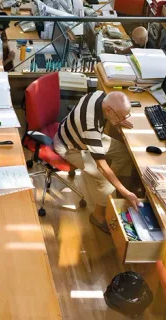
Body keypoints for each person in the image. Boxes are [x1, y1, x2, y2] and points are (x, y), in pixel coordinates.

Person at [52, 90, 139, 234]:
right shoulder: (90, 126)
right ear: (109, 110)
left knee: (124, 154)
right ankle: (97, 216)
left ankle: (112, 192)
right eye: (120, 115)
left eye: (125, 115)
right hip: (69, 147)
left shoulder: (99, 95)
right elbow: (102, 166)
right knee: (105, 180)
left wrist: (118, 118)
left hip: (82, 137)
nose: (123, 118)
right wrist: (124, 192)